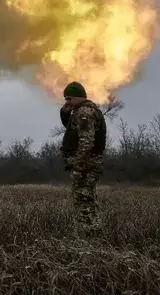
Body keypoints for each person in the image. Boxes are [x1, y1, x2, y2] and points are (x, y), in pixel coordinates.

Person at [60, 81, 107, 233]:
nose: (67, 102)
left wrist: (79, 167)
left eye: (69, 98)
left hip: (86, 165)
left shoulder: (84, 113)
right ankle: (94, 232)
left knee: (83, 200)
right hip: (88, 164)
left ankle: (88, 236)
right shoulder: (84, 111)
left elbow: (86, 141)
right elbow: (72, 130)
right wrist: (65, 113)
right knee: (87, 199)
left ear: (79, 97)